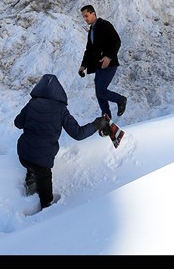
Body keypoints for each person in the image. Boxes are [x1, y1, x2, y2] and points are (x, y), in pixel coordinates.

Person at [14, 74, 108, 209]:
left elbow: (18, 123)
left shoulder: (32, 104)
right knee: (44, 178)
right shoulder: (61, 110)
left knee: (33, 159)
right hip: (42, 161)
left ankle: (31, 179)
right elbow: (78, 134)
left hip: (23, 154)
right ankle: (47, 207)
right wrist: (96, 125)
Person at [78, 5, 127, 119]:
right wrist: (83, 66)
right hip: (98, 66)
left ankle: (121, 100)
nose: (85, 19)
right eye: (83, 17)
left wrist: (109, 57)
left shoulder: (105, 25)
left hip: (109, 65)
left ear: (93, 13)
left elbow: (117, 41)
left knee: (101, 91)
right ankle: (106, 118)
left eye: (86, 16)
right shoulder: (91, 31)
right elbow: (89, 50)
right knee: (99, 93)